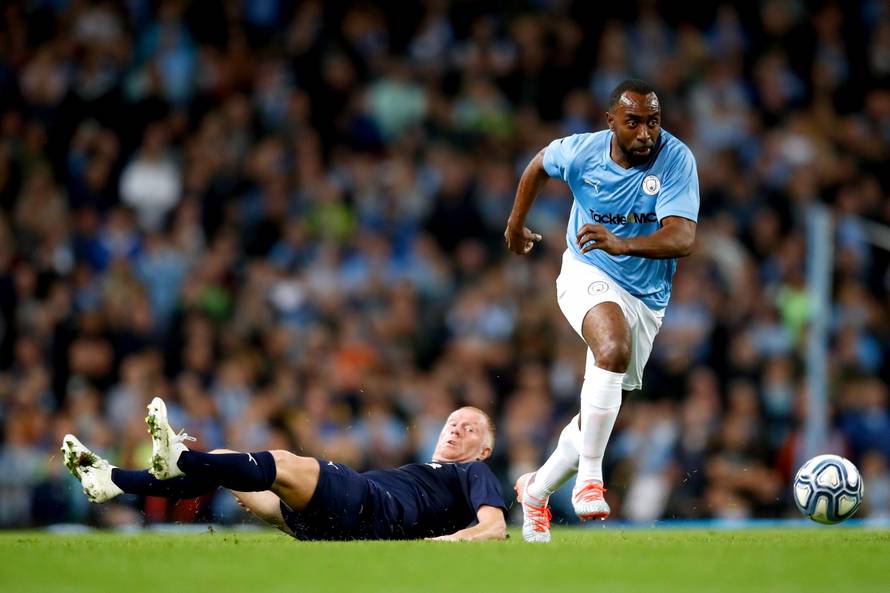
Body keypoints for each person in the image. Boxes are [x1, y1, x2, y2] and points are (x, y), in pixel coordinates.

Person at [504, 79, 699, 542]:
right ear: (611, 121)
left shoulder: (676, 160)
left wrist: (623, 241)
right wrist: (515, 225)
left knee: (600, 414)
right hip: (585, 271)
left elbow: (682, 238)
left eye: (653, 121)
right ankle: (591, 477)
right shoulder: (580, 152)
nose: (645, 133)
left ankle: (536, 490)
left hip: (648, 300)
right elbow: (537, 165)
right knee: (611, 347)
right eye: (633, 122)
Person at [61, 398, 507, 541]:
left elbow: (494, 527)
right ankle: (112, 480)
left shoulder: (471, 473)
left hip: (372, 510)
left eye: (469, 429)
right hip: (327, 524)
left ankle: (178, 458)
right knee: (224, 463)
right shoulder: (427, 469)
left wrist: (444, 543)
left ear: (484, 449)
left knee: (284, 461)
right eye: (453, 422)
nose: (456, 430)